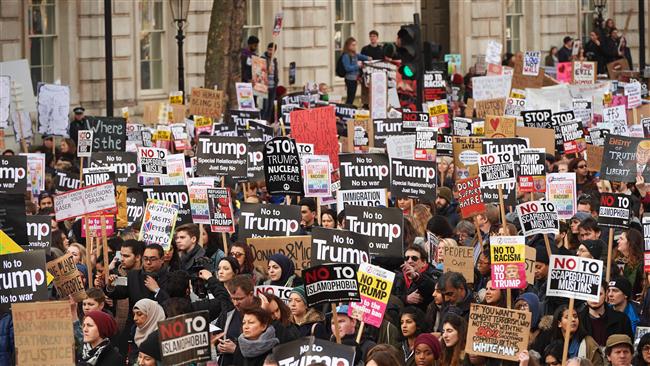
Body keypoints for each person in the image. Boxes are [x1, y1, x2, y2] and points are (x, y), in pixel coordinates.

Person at [578, 280, 633, 347]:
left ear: (606, 294)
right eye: (591, 294)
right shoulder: (578, 320)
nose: (595, 298)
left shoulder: (622, 319)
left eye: (599, 294)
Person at [393, 245, 439, 313]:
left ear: (424, 262)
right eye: (407, 258)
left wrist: (416, 277)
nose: (409, 261)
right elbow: (389, 297)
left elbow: (432, 288)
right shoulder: (397, 276)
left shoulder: (433, 274)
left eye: (414, 258)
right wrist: (405, 299)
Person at [130, 299, 166, 364]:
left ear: (152, 315)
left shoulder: (163, 335)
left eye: (139, 314)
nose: (135, 318)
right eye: (134, 314)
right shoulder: (135, 330)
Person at [341, 37, 370, 105]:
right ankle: (347, 111)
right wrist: (358, 66)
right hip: (350, 79)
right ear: (348, 46)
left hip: (355, 79)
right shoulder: (346, 56)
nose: (354, 47)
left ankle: (349, 109)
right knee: (350, 97)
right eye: (353, 45)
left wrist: (368, 58)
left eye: (355, 45)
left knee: (352, 97)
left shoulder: (354, 54)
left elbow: (361, 56)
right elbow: (347, 68)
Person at [616, 229, 644, 297]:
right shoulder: (620, 262)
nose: (618, 241)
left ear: (630, 243)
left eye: (621, 239)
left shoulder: (642, 265)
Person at [262, 43, 279, 123]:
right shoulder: (263, 58)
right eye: (269, 49)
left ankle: (267, 122)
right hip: (265, 87)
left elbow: (275, 72)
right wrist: (266, 70)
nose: (270, 52)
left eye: (272, 50)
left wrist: (276, 82)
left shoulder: (274, 60)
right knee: (265, 106)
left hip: (273, 86)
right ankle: (263, 121)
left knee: (270, 106)